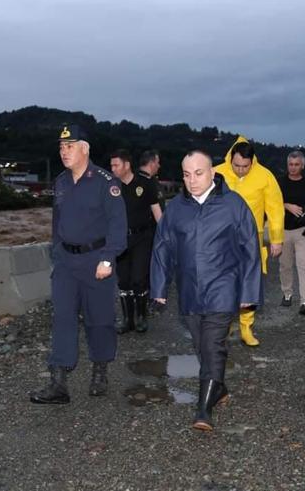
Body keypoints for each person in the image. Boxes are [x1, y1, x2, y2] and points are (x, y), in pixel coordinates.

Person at [151, 150, 262, 431]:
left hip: (223, 288)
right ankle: (219, 388)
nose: (192, 180)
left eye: (198, 173)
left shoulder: (233, 205)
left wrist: (249, 291)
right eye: (186, 175)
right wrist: (159, 286)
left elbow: (250, 248)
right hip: (190, 291)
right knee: (201, 345)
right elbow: (162, 247)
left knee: (213, 346)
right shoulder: (176, 207)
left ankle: (203, 409)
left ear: (212, 172)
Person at [30, 124, 127, 404]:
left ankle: (100, 370)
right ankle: (58, 382)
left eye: (69, 146)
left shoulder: (105, 182)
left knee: (100, 321)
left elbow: (118, 226)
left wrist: (108, 259)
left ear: (85, 149)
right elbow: (56, 223)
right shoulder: (60, 181)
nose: (63, 152)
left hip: (97, 262)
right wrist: (57, 252)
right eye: (61, 147)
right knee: (62, 318)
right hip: (66, 263)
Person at [214, 136, 284, 346]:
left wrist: (277, 239)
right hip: (220, 241)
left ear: (252, 162)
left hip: (250, 242)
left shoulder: (265, 176)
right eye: (236, 165)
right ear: (230, 160)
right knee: (222, 285)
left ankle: (246, 326)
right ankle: (222, 327)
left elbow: (275, 209)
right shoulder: (217, 173)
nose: (240, 170)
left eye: (245, 166)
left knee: (249, 285)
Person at [110, 149, 162, 334]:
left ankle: (141, 317)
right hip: (120, 239)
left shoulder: (145, 184)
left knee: (139, 279)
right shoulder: (112, 186)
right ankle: (127, 319)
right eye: (111, 165)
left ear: (126, 165)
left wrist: (165, 237)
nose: (113, 169)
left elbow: (156, 211)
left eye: (116, 165)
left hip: (142, 238)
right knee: (123, 280)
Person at [278, 151, 305, 315]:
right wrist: (286, 205)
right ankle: (287, 293)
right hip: (283, 230)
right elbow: (272, 201)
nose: (293, 167)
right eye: (291, 164)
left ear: (302, 166)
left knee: (304, 265)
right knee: (285, 265)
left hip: (304, 231)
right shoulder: (279, 183)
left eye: (297, 164)